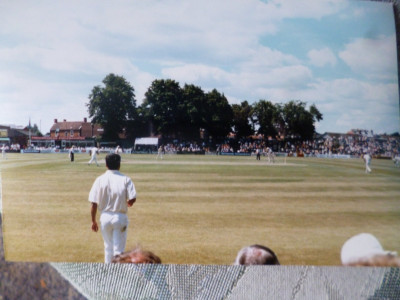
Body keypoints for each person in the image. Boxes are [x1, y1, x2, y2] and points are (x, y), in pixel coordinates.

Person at [89, 153, 137, 263]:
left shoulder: (99, 180)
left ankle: (108, 274)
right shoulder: (126, 179)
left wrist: (93, 221)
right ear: (119, 165)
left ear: (106, 165)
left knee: (108, 248)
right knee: (118, 250)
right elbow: (133, 197)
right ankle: (117, 275)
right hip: (120, 217)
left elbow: (93, 203)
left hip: (105, 217)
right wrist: (130, 202)